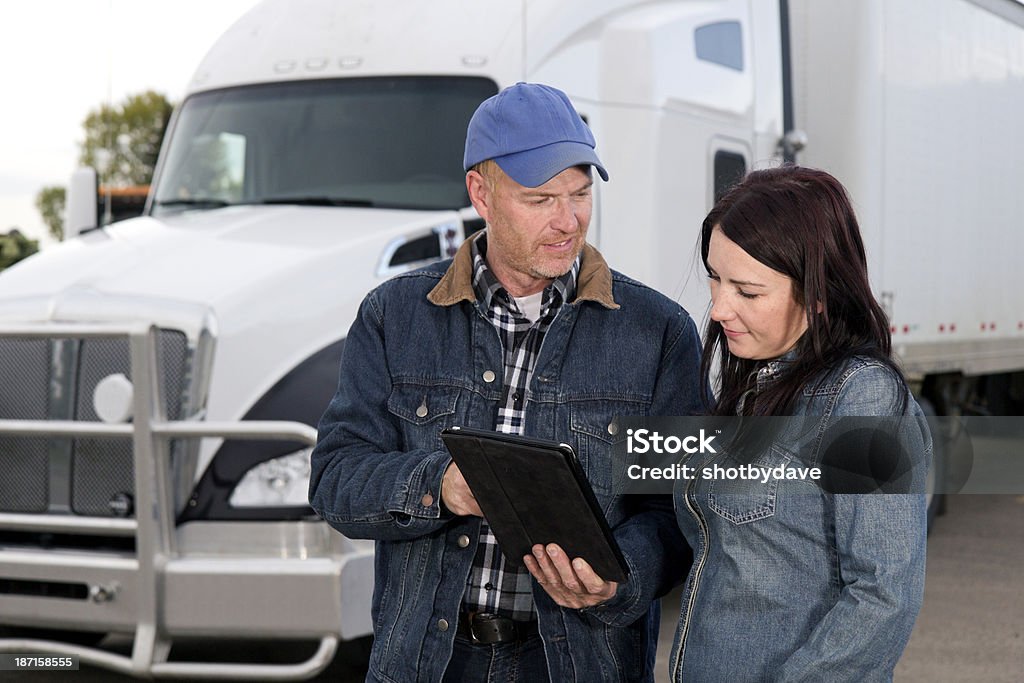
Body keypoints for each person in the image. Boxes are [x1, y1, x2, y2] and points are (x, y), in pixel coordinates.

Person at [309, 82, 703, 682]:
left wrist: (621, 573)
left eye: (579, 193)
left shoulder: (658, 334)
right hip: (428, 663)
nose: (568, 221)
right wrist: (439, 485)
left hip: (578, 664)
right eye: (540, 198)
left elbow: (682, 513)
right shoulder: (394, 316)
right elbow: (336, 478)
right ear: (481, 193)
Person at [669, 165, 930, 682]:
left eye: (747, 291)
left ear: (817, 293)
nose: (718, 307)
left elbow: (883, 594)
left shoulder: (862, 399)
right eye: (714, 278)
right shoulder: (752, 387)